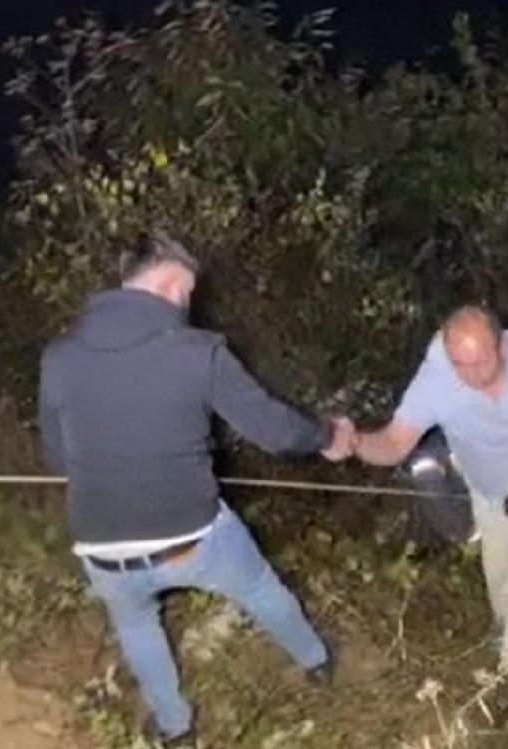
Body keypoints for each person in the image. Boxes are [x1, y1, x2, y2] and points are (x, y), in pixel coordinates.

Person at [38, 235, 353, 748]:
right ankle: (316, 662)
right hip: (192, 538)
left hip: (102, 547)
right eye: (186, 293)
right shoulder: (198, 352)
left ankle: (176, 727)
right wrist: (327, 436)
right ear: (168, 284)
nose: (187, 306)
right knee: (259, 588)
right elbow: (275, 430)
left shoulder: (58, 357)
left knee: (136, 625)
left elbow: (57, 459)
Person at [350, 305, 508, 684]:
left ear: (503, 346)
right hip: (490, 488)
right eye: (460, 364)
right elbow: (394, 442)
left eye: (480, 362)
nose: (470, 375)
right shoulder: (435, 379)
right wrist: (354, 442)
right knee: (499, 575)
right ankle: (505, 633)